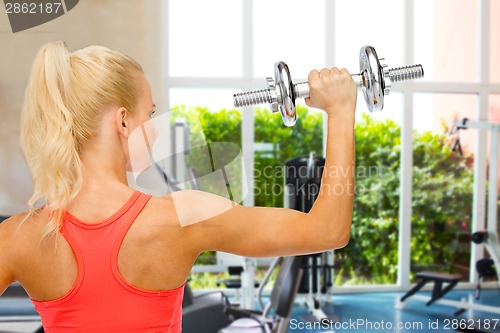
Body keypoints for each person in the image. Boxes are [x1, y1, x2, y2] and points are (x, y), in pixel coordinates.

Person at [0, 41, 357, 333]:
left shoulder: (19, 236)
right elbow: (328, 230)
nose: (153, 130)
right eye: (150, 114)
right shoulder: (182, 217)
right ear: (123, 121)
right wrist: (340, 112)